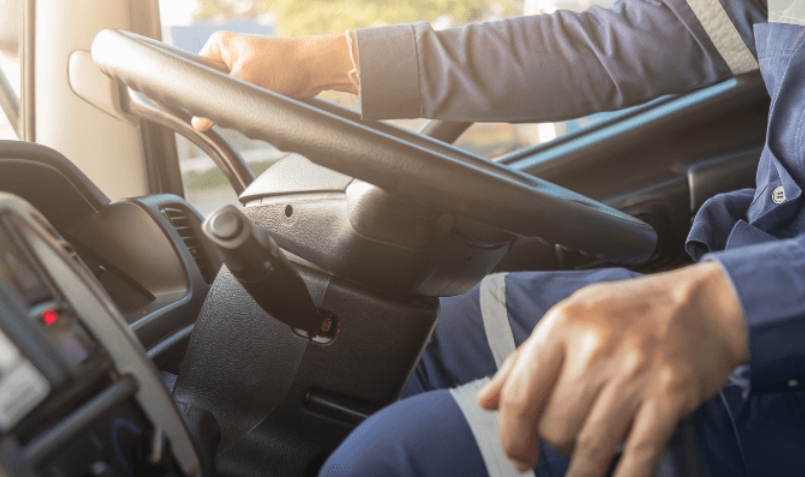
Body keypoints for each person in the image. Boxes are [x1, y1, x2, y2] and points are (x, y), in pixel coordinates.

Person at [192, 0, 805, 475]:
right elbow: (629, 43)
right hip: (750, 265)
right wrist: (329, 62)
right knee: (390, 344)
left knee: (393, 460)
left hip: (775, 350)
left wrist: (725, 308)